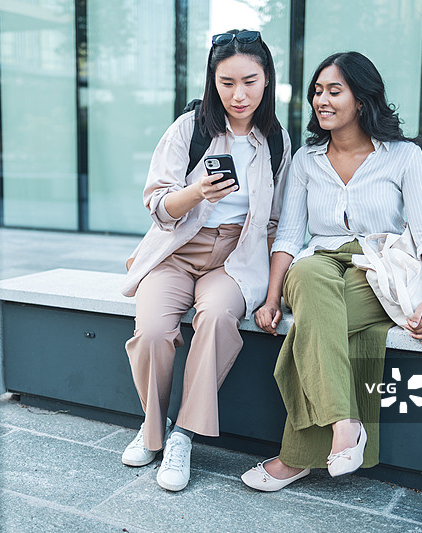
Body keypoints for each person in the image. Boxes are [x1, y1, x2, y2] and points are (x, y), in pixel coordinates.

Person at [241, 51, 422, 491]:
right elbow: (288, 237)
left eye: (334, 91)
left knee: (315, 329)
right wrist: (273, 297)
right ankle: (346, 424)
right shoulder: (307, 160)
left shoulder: (404, 157)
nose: (322, 100)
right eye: (317, 91)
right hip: (319, 261)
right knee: (308, 278)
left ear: (362, 99)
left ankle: (295, 458)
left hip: (377, 267)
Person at [120, 29, 291, 492]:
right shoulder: (188, 129)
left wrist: (271, 291)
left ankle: (183, 435)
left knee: (216, 318)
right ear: (212, 81)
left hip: (237, 257)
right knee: (152, 331)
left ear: (267, 79)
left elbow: (275, 221)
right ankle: (152, 429)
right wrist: (197, 192)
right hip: (177, 252)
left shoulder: (276, 141)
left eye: (250, 81)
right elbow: (157, 204)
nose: (239, 95)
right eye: (226, 82)